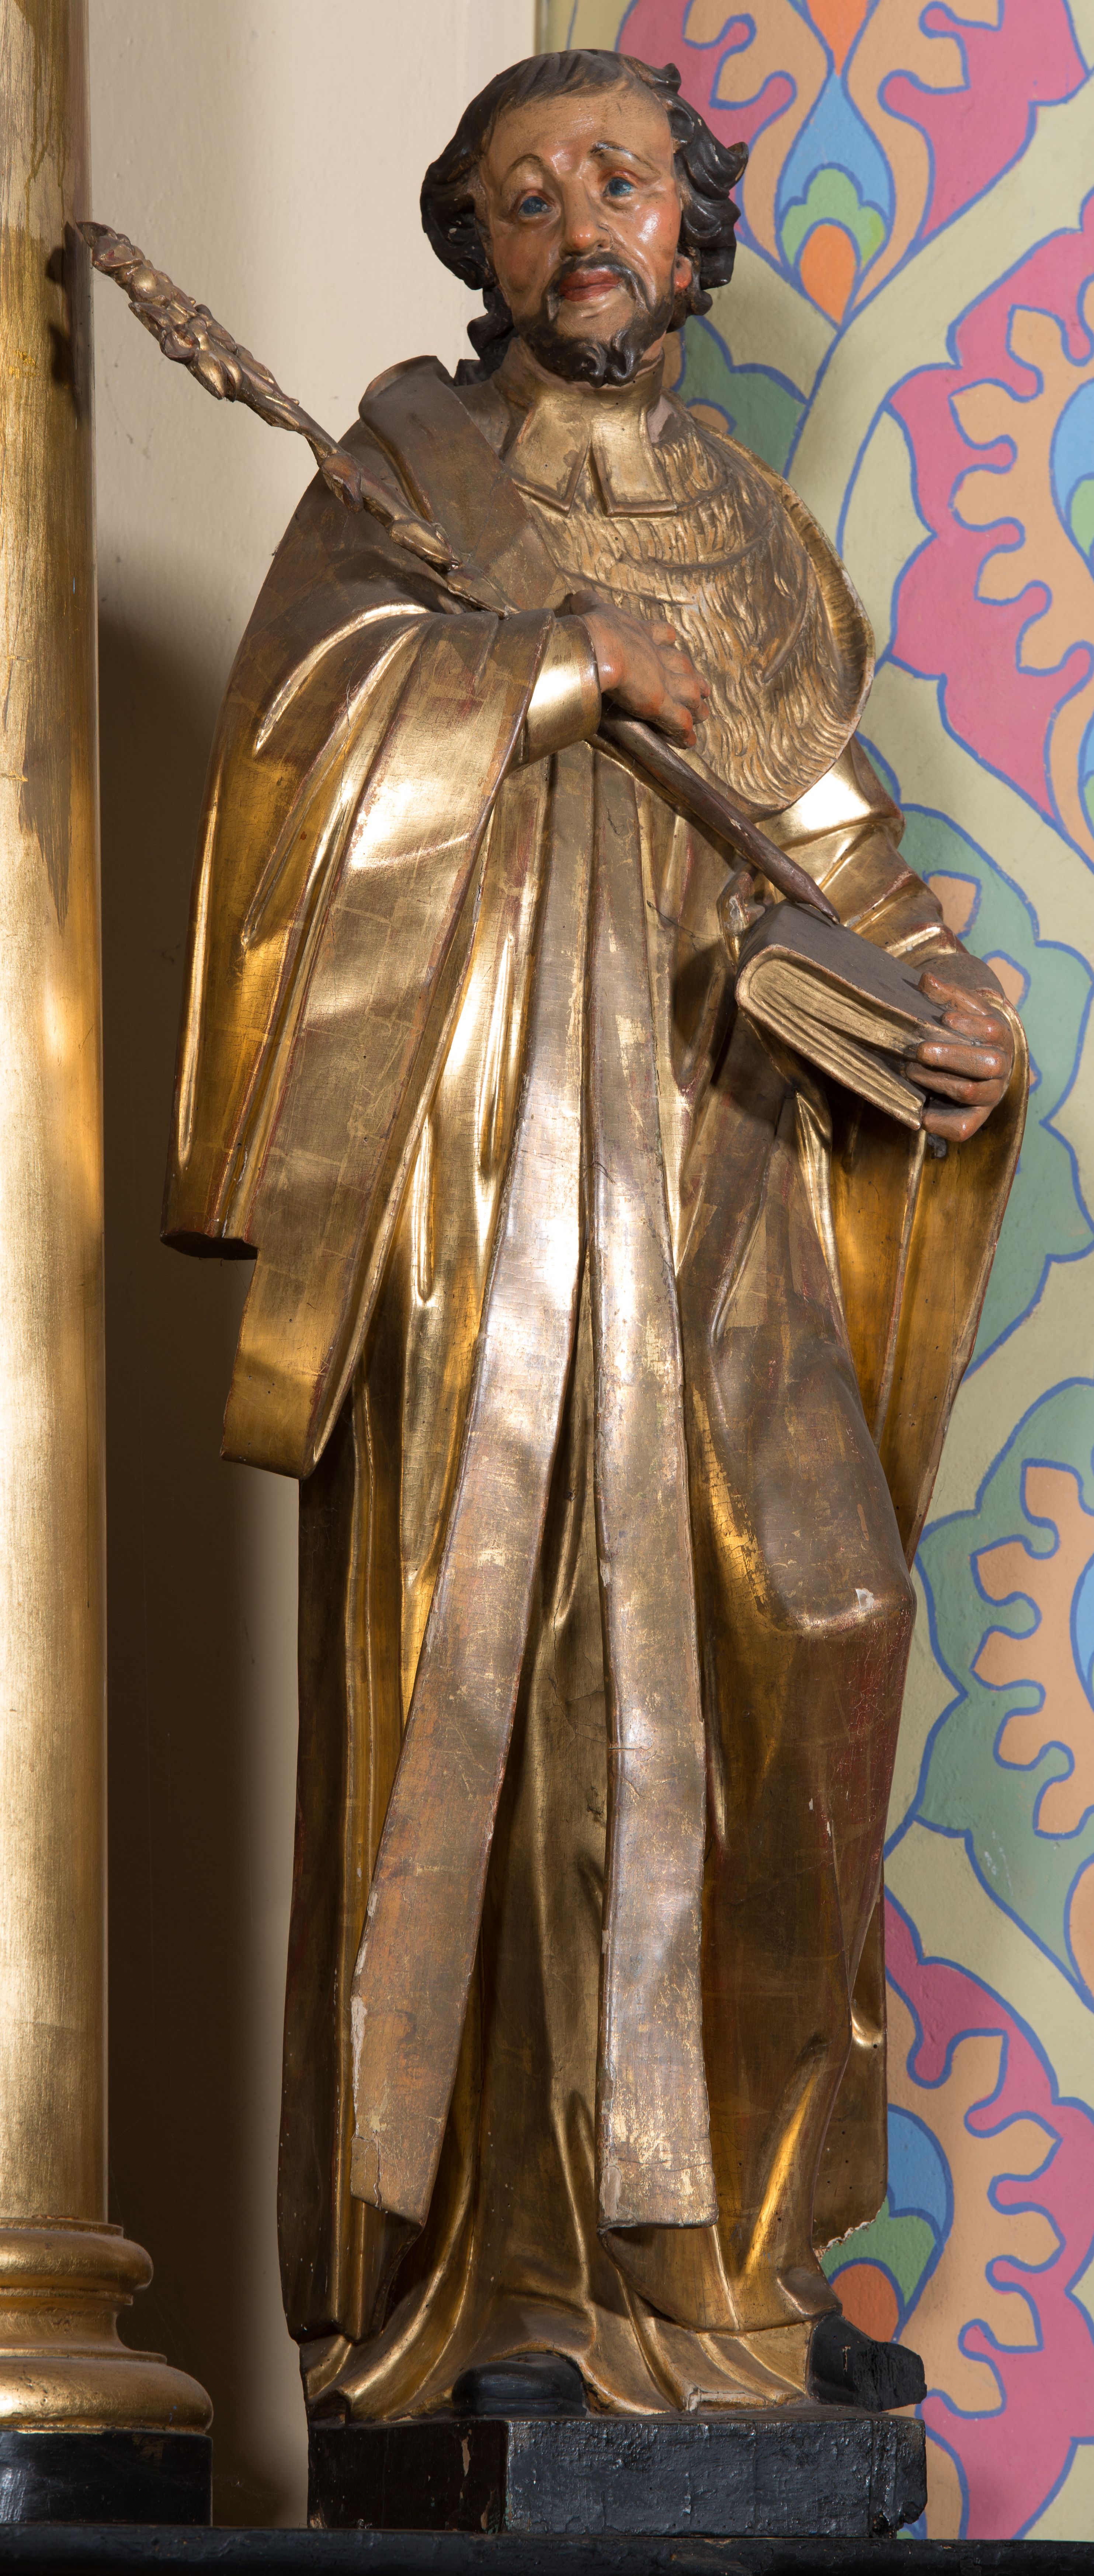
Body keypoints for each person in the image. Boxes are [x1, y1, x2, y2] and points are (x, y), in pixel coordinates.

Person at [164, 49, 1024, 2419]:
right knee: (532, 1674)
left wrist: (938, 1003)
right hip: (497, 1168)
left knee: (814, 1624)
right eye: (525, 194)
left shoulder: (753, 529)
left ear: (686, 223)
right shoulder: (407, 474)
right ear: (479, 242)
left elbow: (818, 830)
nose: (577, 228)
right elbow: (294, 767)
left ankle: (735, 2270)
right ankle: (505, 2294)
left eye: (617, 182)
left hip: (733, 1149)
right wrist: (543, 668)